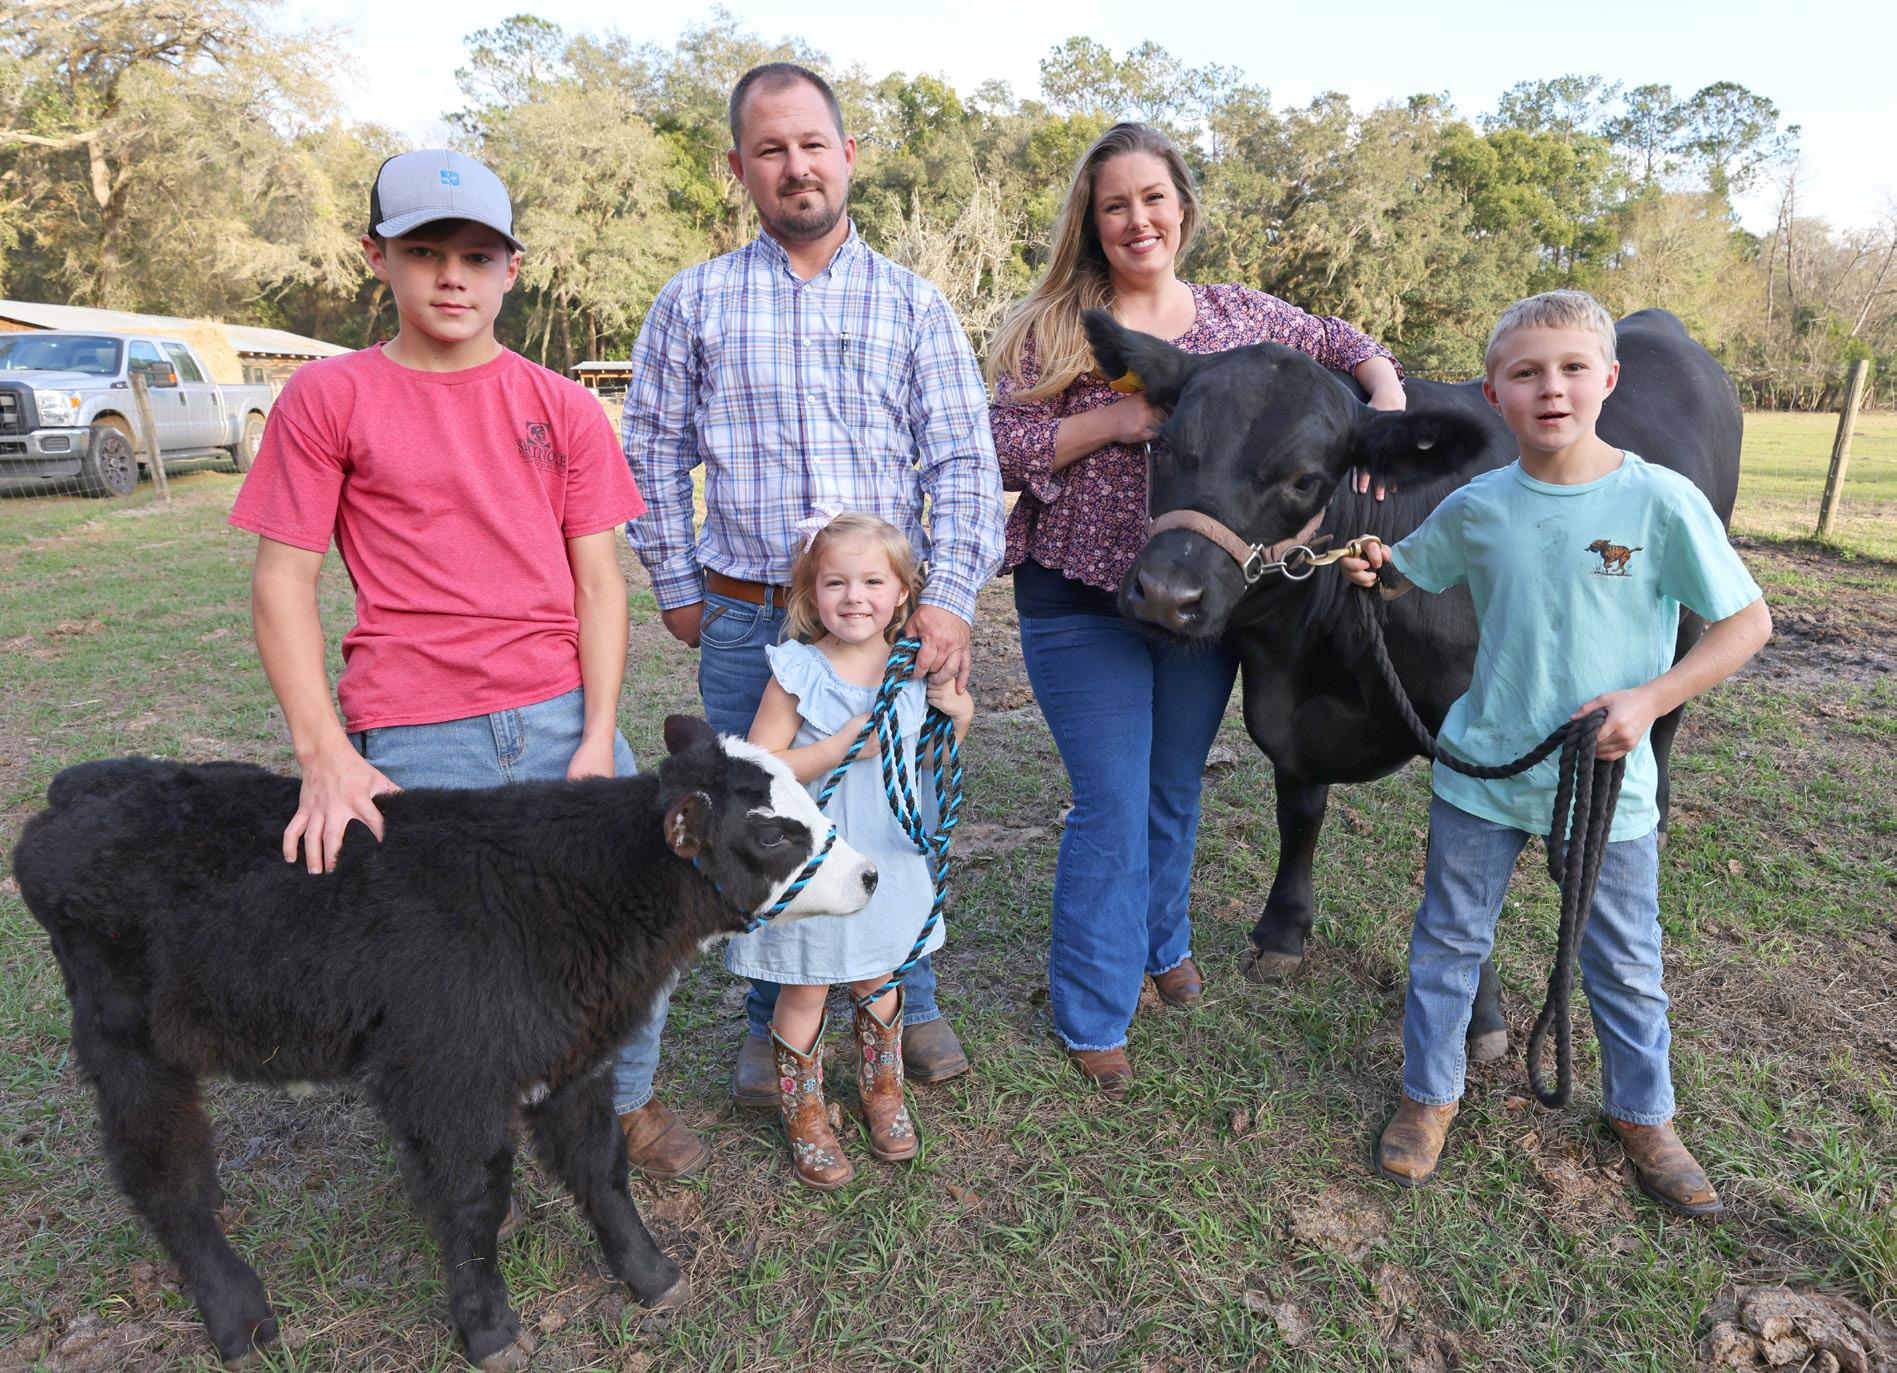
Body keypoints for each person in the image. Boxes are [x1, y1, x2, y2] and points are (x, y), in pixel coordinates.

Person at [229, 149, 707, 1186]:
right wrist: (323, 755)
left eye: (476, 255)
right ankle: (471, 1134)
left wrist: (595, 735)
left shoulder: (565, 408)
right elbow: (282, 581)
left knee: (639, 925)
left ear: (511, 269)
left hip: (557, 712)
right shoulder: (327, 397)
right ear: (378, 259)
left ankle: (621, 1105)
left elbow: (599, 585)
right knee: (453, 970)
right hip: (415, 724)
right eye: (425, 251)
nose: (452, 275)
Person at [987, 122, 1407, 1099]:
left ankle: (1163, 944)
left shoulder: (1235, 319)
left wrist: (1378, 415)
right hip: (1084, 598)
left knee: (1175, 782)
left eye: (1152, 197)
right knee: (1111, 798)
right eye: (1114, 204)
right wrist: (1117, 419)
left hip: (1202, 600)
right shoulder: (1055, 324)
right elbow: (997, 446)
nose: (1137, 219)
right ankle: (1094, 1003)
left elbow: (1351, 349)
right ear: (1091, 224)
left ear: (1182, 207)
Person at [623, 61, 1005, 1111]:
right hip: (749, 615)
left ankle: (905, 995)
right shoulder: (693, 300)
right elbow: (651, 448)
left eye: (812, 144)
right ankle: (770, 1020)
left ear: (848, 155)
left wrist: (949, 599)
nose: (796, 166)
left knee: (895, 802)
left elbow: (963, 463)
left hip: (884, 623)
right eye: (770, 149)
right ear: (740, 167)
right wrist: (677, 583)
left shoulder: (913, 306)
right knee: (765, 812)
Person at [1340, 289, 1771, 1216]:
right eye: (1525, 372)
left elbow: (1745, 621)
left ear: (1607, 380)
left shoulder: (1659, 501)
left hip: (1610, 781)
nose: (1551, 388)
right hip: (1483, 775)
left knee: (1620, 958)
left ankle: (1645, 1114)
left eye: (1572, 368)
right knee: (1448, 942)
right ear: (1492, 396)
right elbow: (1410, 567)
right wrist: (1374, 563)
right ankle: (1429, 1094)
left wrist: (1652, 700)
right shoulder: (1477, 506)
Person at [728, 511, 973, 1189]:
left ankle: (881, 1092)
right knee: (805, 986)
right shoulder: (798, 670)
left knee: (879, 976)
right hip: (817, 867)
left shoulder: (910, 669)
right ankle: (805, 1114)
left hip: (888, 851)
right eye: (835, 582)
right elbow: (759, 765)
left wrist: (957, 712)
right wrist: (837, 747)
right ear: (811, 593)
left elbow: (936, 751)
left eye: (872, 580)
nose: (854, 596)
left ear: (902, 593)